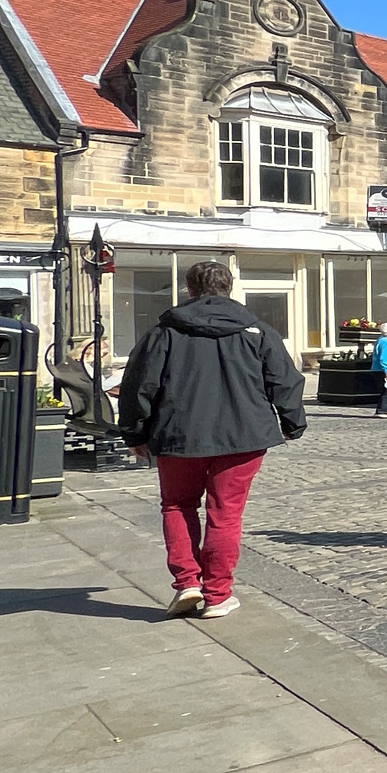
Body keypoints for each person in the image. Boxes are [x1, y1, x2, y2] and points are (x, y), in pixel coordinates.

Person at [116, 259, 306, 618]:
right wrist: (292, 423)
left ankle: (187, 582)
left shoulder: (164, 332)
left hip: (178, 434)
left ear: (190, 289)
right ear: (229, 287)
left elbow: (138, 385)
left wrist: (134, 431)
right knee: (225, 514)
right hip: (242, 435)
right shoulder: (257, 330)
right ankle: (217, 595)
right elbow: (285, 380)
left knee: (177, 505)